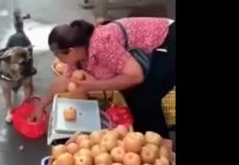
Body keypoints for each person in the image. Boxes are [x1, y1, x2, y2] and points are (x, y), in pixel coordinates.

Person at [31, 17, 175, 138]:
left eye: (57, 55)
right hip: (149, 52)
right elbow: (63, 81)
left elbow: (136, 76)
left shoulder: (100, 43)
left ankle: (161, 149)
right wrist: (41, 105)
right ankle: (143, 139)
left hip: (167, 40)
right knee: (130, 94)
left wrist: (95, 86)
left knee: (143, 99)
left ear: (71, 50)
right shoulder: (79, 55)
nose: (57, 59)